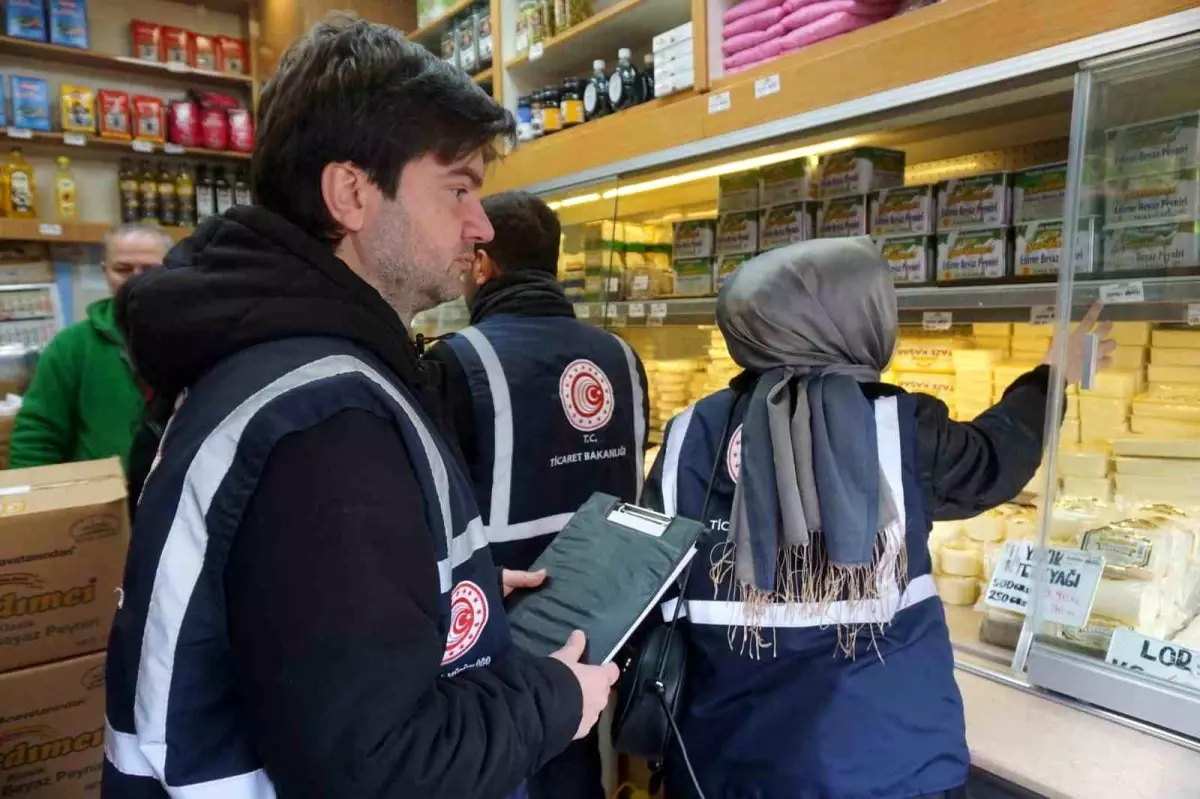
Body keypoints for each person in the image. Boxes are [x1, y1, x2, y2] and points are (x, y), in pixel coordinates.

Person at [103, 16, 617, 799]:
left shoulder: (287, 359)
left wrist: (444, 592)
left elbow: (301, 622)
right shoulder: (326, 418)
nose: (480, 226)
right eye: (459, 188)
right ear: (350, 192)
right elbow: (379, 766)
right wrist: (556, 698)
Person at [642, 238, 1114, 799]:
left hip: (723, 765)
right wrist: (1050, 375)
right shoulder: (899, 428)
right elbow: (996, 457)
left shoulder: (687, 436)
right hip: (887, 766)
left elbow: (647, 586)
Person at [425, 191, 649, 799]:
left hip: (499, 624)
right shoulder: (621, 357)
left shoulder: (455, 361)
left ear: (484, 264)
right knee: (577, 763)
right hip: (608, 609)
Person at [8, 223, 169, 471]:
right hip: (100, 499)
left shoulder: (196, 341)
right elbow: (37, 435)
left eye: (150, 269)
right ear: (105, 271)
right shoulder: (71, 346)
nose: (136, 279)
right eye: (123, 269)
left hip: (176, 498)